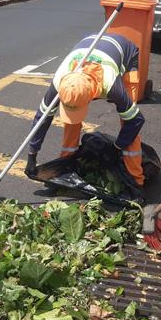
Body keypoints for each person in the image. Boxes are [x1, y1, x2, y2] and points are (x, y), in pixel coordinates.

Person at [24, 33, 145, 197]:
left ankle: (135, 182)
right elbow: (42, 118)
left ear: (91, 96)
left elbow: (136, 120)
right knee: (71, 124)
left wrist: (117, 148)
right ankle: (65, 168)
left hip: (126, 53)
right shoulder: (60, 81)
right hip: (89, 45)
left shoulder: (111, 86)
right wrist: (32, 155)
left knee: (127, 118)